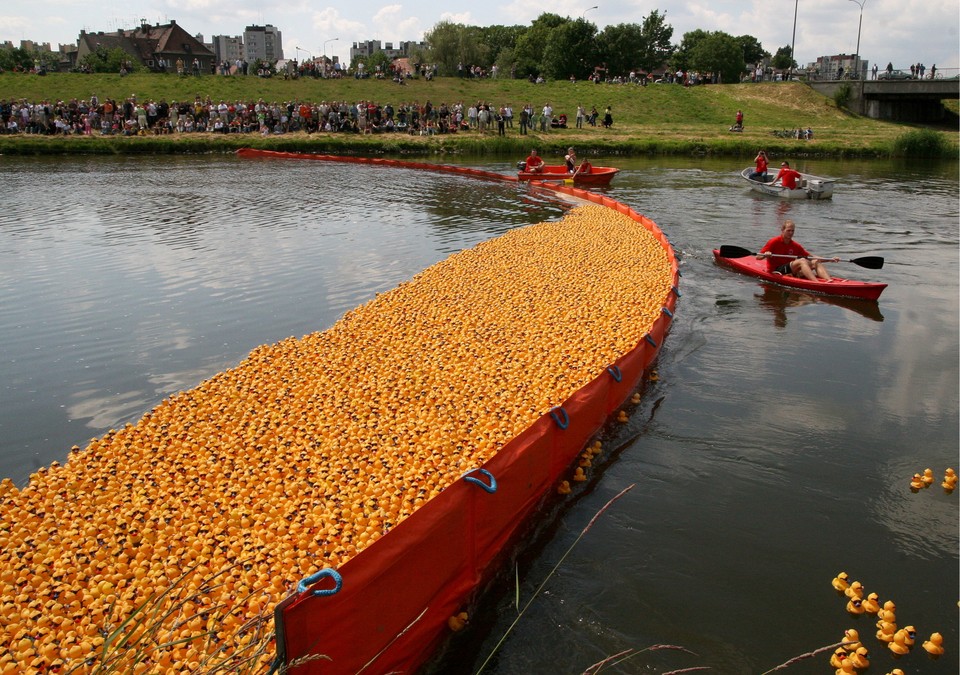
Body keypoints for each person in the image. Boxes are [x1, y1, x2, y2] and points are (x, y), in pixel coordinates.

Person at [757, 220, 838, 281]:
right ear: (782, 230)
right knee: (802, 261)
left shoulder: (795, 245)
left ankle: (829, 281)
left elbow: (811, 257)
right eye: (788, 230)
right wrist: (765, 254)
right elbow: (758, 257)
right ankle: (816, 283)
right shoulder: (773, 241)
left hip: (790, 269)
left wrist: (830, 259)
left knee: (815, 261)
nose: (791, 233)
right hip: (776, 270)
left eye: (792, 231)